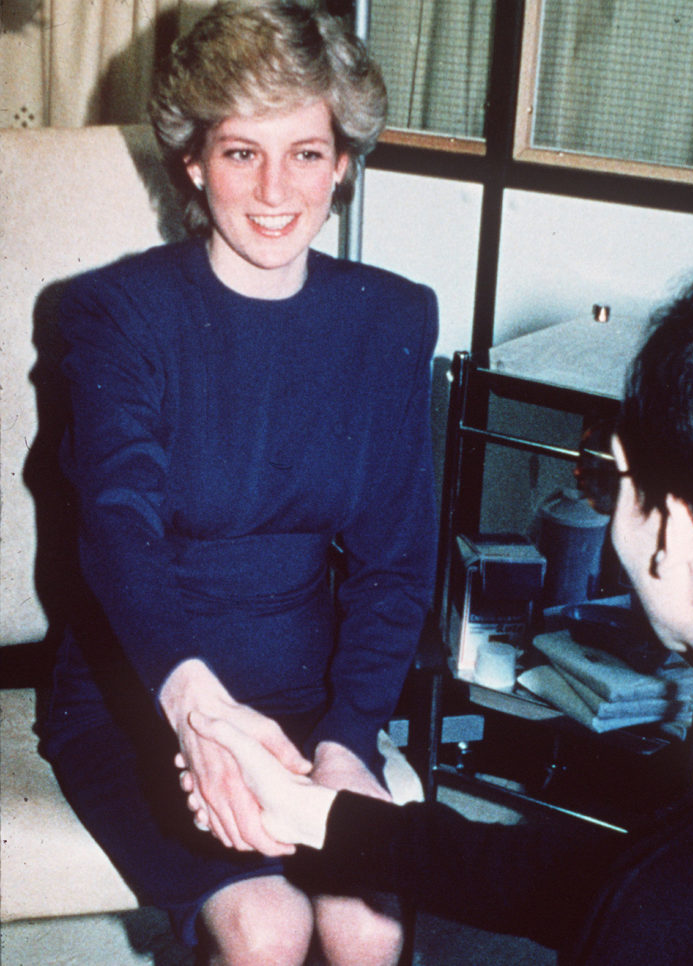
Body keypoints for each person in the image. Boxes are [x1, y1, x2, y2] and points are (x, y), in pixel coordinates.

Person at [192, 265, 693, 964]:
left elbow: (647, 893)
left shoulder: (671, 914)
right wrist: (309, 812)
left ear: (675, 536)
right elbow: (591, 874)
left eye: (618, 480)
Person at [43, 3, 437, 964]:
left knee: (366, 924)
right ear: (192, 163)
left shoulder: (390, 318)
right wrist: (199, 714)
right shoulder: (111, 314)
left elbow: (397, 563)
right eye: (240, 152)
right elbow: (115, 532)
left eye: (306, 153)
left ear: (343, 162)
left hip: (311, 694)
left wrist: (351, 736)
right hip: (146, 688)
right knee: (266, 927)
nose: (275, 189)